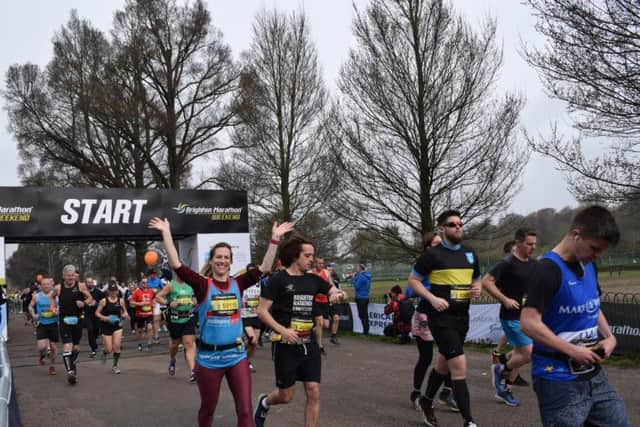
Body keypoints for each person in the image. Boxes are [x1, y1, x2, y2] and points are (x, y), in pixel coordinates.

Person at [149, 216, 293, 427]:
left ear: (231, 261)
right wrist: (166, 233)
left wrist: (275, 240)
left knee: (244, 410)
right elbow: (177, 265)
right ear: (211, 260)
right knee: (208, 409)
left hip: (236, 355)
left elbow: (264, 268)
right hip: (209, 359)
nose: (222, 261)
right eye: (218, 257)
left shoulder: (239, 283)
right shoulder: (202, 284)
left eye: (226, 257)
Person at [520, 206, 630, 427]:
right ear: (576, 235)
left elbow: (593, 305)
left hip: (593, 374)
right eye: (594, 248)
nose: (597, 255)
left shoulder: (589, 265)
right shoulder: (547, 270)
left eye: (602, 251)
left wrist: (610, 337)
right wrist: (572, 350)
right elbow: (528, 323)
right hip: (557, 378)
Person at [253, 236, 346, 427]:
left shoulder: (313, 279)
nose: (311, 259)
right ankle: (264, 402)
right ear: (295, 255)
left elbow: (333, 291)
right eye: (307, 255)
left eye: (312, 255)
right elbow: (261, 311)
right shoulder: (278, 280)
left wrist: (338, 294)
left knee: (313, 390)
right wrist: (282, 330)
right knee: (286, 395)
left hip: (309, 344)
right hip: (285, 344)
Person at [408, 210, 481, 427]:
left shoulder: (470, 253)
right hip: (440, 318)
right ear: (442, 228)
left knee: (443, 364)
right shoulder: (432, 255)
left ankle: (427, 401)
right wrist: (431, 298)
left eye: (460, 223)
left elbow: (477, 278)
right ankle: (469, 421)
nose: (458, 227)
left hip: (462, 317)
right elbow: (413, 281)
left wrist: (476, 289)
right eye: (452, 224)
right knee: (459, 364)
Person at [482, 228, 538, 406]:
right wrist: (505, 299)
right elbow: (486, 282)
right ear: (518, 243)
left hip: (528, 315)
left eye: (535, 244)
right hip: (511, 316)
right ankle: (501, 368)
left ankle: (504, 389)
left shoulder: (534, 263)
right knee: (528, 352)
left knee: (521, 354)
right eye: (529, 244)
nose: (533, 247)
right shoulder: (506, 263)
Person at [409, 231, 458, 413]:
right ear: (428, 248)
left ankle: (446, 393)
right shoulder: (423, 264)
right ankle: (416, 393)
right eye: (437, 244)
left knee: (450, 354)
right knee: (426, 358)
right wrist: (432, 291)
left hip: (444, 315)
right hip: (425, 316)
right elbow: (409, 291)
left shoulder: (449, 263)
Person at [52, 264, 95, 385]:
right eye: (68, 276)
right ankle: (70, 372)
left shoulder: (80, 286)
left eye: (72, 275)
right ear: (63, 276)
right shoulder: (58, 288)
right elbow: (51, 297)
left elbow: (90, 298)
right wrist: (53, 307)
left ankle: (71, 363)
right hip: (64, 320)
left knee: (76, 347)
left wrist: (84, 302)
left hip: (77, 320)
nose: (71, 278)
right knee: (67, 345)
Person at [154, 271, 197, 382]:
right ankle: (172, 359)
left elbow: (195, 298)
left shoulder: (190, 285)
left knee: (189, 343)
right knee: (175, 344)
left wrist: (193, 302)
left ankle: (193, 371)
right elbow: (158, 297)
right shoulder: (171, 285)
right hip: (175, 320)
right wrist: (168, 303)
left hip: (188, 318)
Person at [95, 282, 128, 374]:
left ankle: (115, 366)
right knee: (109, 349)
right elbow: (97, 313)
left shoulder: (120, 301)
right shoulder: (104, 301)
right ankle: (105, 352)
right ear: (108, 291)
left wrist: (124, 314)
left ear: (117, 291)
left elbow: (124, 312)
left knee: (117, 346)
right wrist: (104, 318)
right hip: (106, 327)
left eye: (115, 291)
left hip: (117, 326)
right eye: (111, 291)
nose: (113, 293)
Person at [28, 277, 58, 375]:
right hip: (41, 324)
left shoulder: (56, 296)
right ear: (41, 286)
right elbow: (30, 306)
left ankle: (52, 366)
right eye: (44, 284)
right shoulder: (36, 296)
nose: (46, 286)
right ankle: (41, 356)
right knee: (42, 347)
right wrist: (33, 315)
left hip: (53, 323)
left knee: (53, 347)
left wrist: (58, 311)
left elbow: (61, 307)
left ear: (51, 285)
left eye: (48, 284)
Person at [309, 257, 336, 354]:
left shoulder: (326, 273)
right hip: (315, 301)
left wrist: (335, 293)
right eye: (319, 263)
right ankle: (319, 345)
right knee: (320, 323)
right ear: (315, 264)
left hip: (324, 300)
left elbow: (331, 284)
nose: (322, 265)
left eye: (322, 263)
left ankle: (312, 333)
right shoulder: (310, 273)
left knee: (326, 324)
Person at [241, 263, 263, 373]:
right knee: (253, 340)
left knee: (254, 345)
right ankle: (241, 360)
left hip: (256, 315)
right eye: (250, 271)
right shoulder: (243, 283)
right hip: (245, 315)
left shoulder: (260, 283)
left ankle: (246, 361)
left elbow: (263, 297)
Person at [130, 277, 155, 351]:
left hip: (149, 313)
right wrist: (140, 303)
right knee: (140, 330)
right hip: (140, 314)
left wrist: (154, 302)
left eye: (146, 282)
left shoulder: (151, 291)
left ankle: (149, 344)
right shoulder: (137, 292)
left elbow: (154, 298)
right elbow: (131, 302)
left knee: (150, 328)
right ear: (140, 283)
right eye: (143, 282)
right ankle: (140, 344)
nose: (145, 284)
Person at [84, 275, 104, 358]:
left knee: (96, 330)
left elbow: (104, 303)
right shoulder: (83, 292)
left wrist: (96, 304)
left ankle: (94, 341)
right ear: (86, 283)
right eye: (88, 282)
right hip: (87, 315)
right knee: (90, 330)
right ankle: (93, 349)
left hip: (96, 314)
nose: (90, 284)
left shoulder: (98, 292)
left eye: (91, 282)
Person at [352, 264, 371, 335]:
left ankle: (366, 331)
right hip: (365, 297)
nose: (356, 269)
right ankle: (366, 330)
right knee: (364, 315)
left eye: (357, 267)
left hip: (360, 298)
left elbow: (356, 286)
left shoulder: (361, 276)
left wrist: (353, 279)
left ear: (360, 269)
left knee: (362, 315)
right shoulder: (367, 275)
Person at [146, 269, 165, 343]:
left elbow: (164, 289)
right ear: (149, 274)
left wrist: (160, 295)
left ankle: (156, 335)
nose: (153, 275)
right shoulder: (146, 281)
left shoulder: (159, 280)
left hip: (156, 301)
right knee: (149, 320)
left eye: (154, 274)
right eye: (151, 274)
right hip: (148, 302)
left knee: (156, 319)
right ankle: (150, 337)